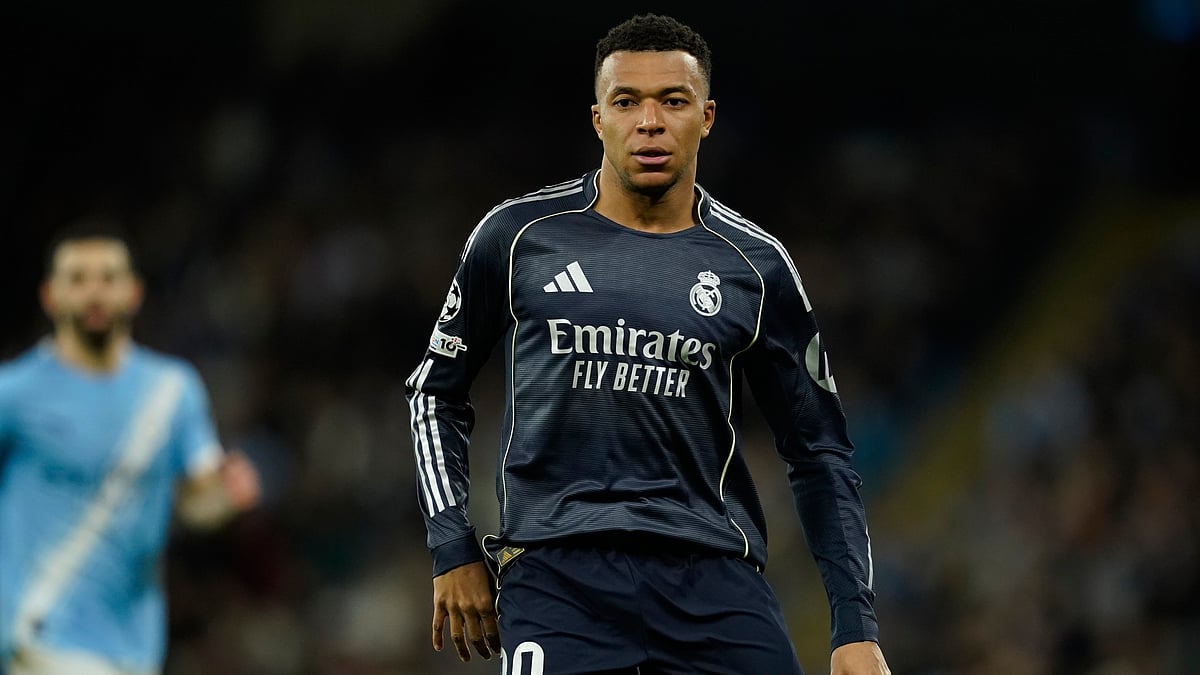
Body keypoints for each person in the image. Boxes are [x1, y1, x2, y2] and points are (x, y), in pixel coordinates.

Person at [405, 13, 890, 675]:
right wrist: (452, 545)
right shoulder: (517, 237)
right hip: (559, 578)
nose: (651, 121)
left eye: (673, 100)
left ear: (708, 116)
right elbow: (435, 394)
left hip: (715, 582)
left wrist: (855, 626)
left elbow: (820, 448)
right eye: (627, 101)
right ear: (598, 118)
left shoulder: (755, 265)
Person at [0, 223, 260, 675]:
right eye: (78, 279)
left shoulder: (172, 391)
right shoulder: (15, 393)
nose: (94, 293)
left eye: (108, 277)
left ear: (133, 292)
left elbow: (199, 504)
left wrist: (226, 495)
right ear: (51, 295)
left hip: (134, 646)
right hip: (39, 633)